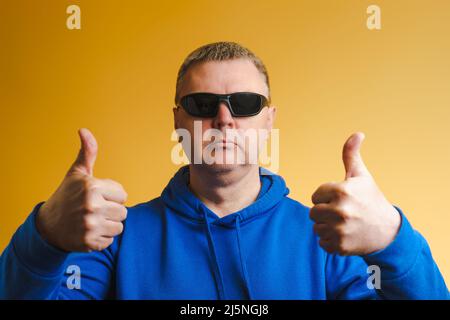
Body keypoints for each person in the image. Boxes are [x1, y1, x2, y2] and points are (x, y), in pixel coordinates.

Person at [0, 42, 448, 299]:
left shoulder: (331, 235)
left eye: (245, 104)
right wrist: (43, 238)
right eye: (202, 105)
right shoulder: (114, 237)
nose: (224, 119)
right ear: (178, 121)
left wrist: (393, 239)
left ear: (269, 120)